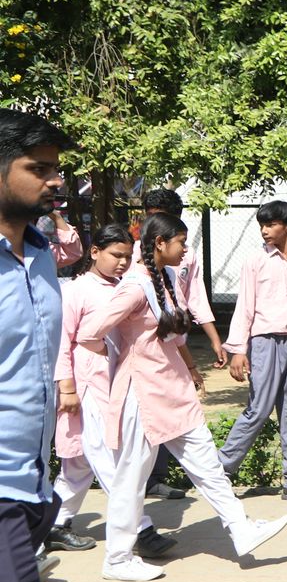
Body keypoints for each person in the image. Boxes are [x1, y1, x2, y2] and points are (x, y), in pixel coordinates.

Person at [79, 213, 287, 581]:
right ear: (160, 243)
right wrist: (124, 358)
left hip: (173, 389)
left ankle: (240, 528)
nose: (185, 250)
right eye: (181, 242)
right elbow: (88, 333)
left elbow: (173, 337)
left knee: (207, 465)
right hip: (143, 395)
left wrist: (190, 368)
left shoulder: (168, 278)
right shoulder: (134, 287)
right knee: (131, 478)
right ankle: (117, 559)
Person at [48, 224, 176, 559]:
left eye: (127, 256)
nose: (122, 262)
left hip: (116, 384)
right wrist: (67, 388)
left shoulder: (127, 287)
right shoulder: (76, 290)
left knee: (79, 465)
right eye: (115, 255)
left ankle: (54, 524)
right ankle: (141, 528)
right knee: (109, 459)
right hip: (87, 386)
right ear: (94, 252)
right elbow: (62, 341)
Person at [0, 109, 75, 582]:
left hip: (31, 486)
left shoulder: (42, 256)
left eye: (56, 168)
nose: (56, 180)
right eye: (39, 169)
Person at [218, 200, 287, 499]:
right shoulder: (255, 261)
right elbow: (245, 306)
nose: (265, 230)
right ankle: (220, 470)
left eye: (271, 224)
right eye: (262, 225)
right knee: (259, 408)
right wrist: (239, 350)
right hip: (264, 342)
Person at [132, 188, 227, 501]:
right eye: (148, 216)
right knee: (145, 419)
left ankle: (157, 479)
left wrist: (214, 339)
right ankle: (138, 489)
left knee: (177, 415)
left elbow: (195, 299)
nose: (151, 225)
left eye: (159, 217)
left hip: (173, 342)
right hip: (144, 354)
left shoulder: (185, 254)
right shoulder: (132, 256)